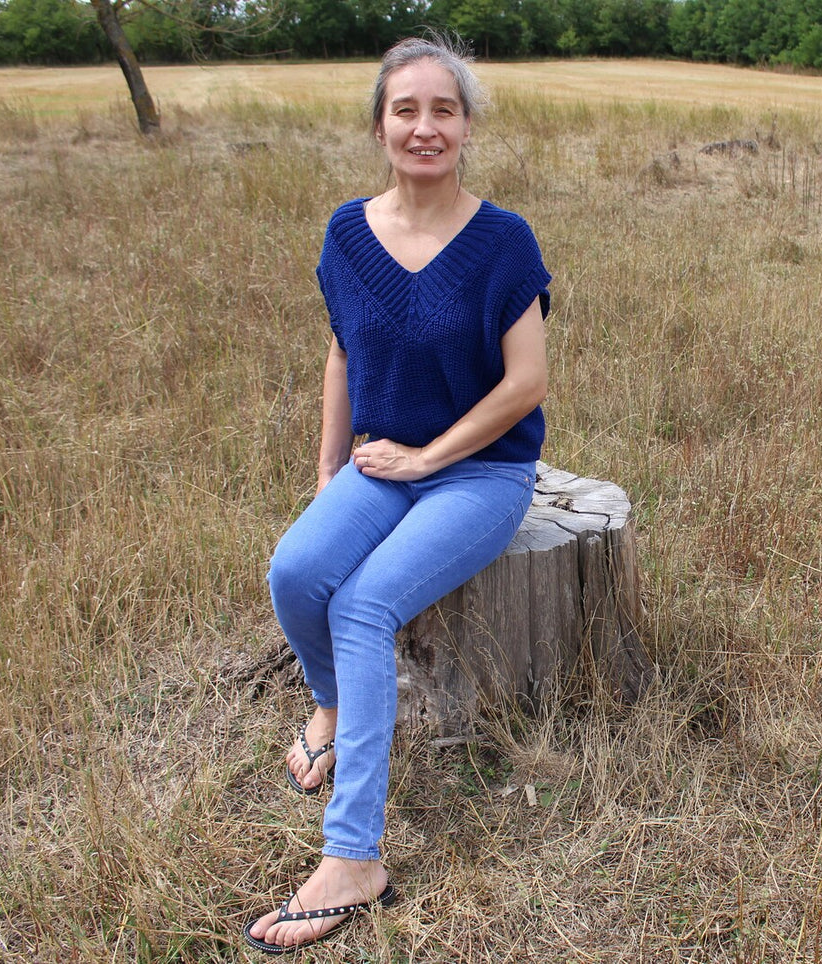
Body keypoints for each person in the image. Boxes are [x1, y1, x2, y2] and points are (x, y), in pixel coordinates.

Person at [244, 34, 550, 954]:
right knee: (297, 569)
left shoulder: (503, 240)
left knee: (365, 603)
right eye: (405, 109)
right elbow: (342, 350)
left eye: (443, 109)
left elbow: (526, 382)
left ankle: (353, 857)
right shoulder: (347, 231)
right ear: (379, 126)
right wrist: (329, 472)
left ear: (465, 127)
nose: (425, 126)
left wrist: (431, 459)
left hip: (482, 471)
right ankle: (332, 703)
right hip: (379, 461)